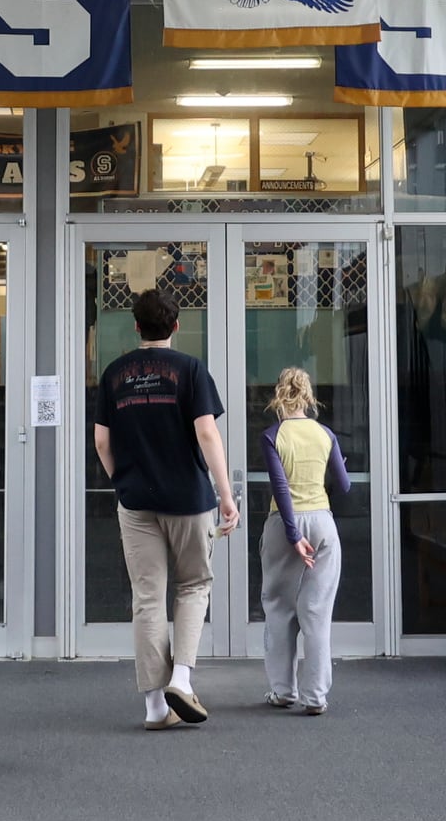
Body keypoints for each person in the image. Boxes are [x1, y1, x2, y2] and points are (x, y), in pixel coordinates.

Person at [91, 287, 238, 729]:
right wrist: (226, 494)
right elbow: (207, 435)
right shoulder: (190, 370)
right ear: (176, 325)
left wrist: (122, 481)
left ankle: (156, 708)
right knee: (193, 584)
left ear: (136, 326)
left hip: (136, 501)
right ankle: (182, 678)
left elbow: (101, 441)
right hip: (189, 499)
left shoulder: (115, 374)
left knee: (148, 598)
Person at [257, 366, 352, 715]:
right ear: (308, 397)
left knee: (280, 611)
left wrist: (294, 534)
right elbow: (343, 486)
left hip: (284, 526)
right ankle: (315, 697)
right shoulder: (325, 434)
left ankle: (283, 692)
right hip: (323, 524)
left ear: (279, 396)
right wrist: (337, 462)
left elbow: (281, 488)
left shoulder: (272, 435)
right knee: (317, 614)